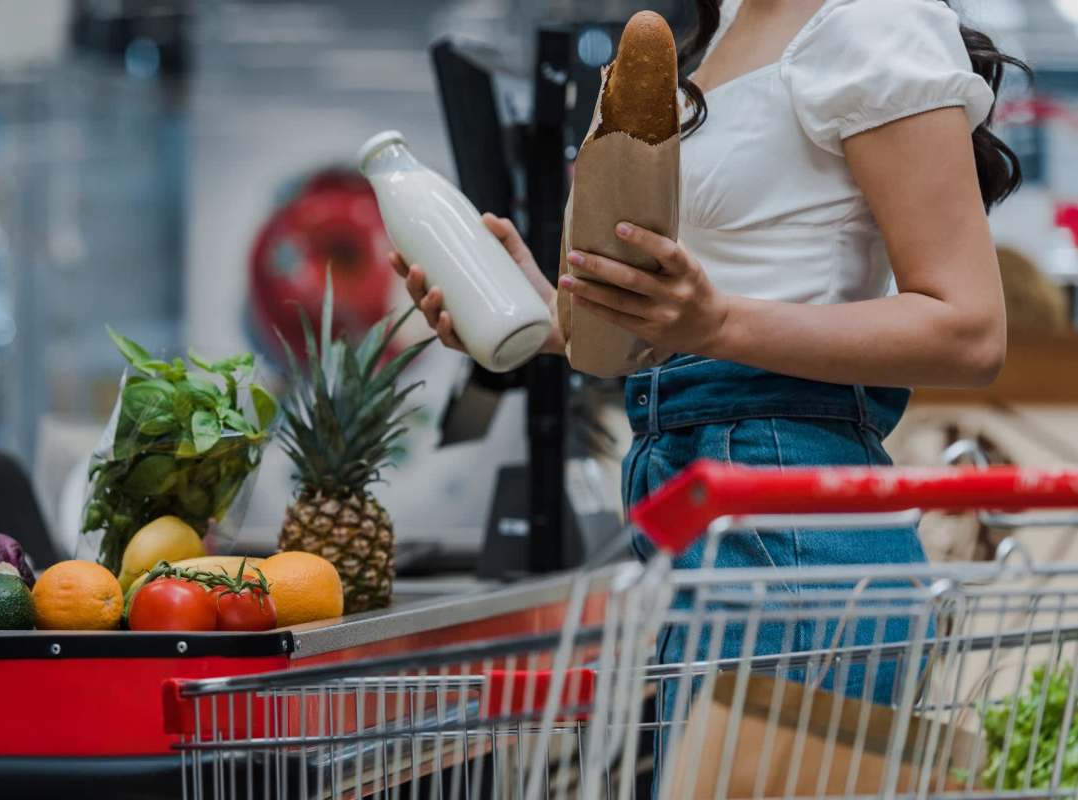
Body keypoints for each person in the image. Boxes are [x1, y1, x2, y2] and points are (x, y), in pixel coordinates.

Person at [390, 0, 1024, 750]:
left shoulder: (868, 20)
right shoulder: (718, 33)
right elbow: (709, 310)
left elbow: (967, 330)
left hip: (789, 513)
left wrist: (715, 321)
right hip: (694, 489)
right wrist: (551, 322)